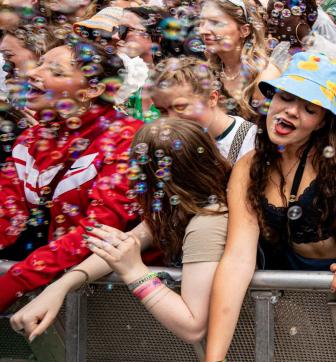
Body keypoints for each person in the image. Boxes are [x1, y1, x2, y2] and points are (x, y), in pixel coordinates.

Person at [195, 51, 336, 362]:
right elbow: (237, 260)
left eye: (309, 108)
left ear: (323, 120)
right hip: (295, 298)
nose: (291, 111)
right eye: (285, 97)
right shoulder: (249, 167)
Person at [10, 119, 230, 343]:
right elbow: (126, 242)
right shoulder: (183, 207)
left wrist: (133, 270)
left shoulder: (207, 222)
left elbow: (192, 327)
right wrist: (59, 288)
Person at [0, 42, 142, 310]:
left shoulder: (126, 138)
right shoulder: (31, 138)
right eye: (39, 62)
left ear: (92, 90)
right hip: (45, 292)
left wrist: (11, 284)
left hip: (112, 304)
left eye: (55, 70)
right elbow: (6, 215)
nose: (33, 73)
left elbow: (97, 233)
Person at [150, 57, 257, 164]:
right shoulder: (171, 144)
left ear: (212, 98)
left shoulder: (250, 141)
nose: (171, 119)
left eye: (180, 107)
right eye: (162, 111)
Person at [197, 0, 272, 120]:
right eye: (201, 23)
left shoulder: (264, 77)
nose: (203, 31)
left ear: (244, 30)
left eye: (215, 23)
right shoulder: (211, 71)